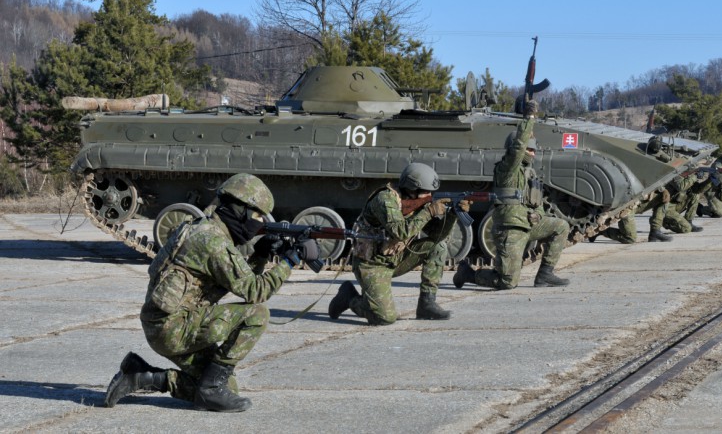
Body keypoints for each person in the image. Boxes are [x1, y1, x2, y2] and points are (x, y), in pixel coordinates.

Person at [104, 173, 318, 412]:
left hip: (166, 324)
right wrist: (290, 262)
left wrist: (261, 254)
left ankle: (142, 376)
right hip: (173, 329)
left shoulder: (199, 228)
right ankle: (211, 390)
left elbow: (235, 281)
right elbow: (256, 291)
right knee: (256, 314)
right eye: (257, 216)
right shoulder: (213, 242)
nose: (258, 223)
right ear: (240, 211)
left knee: (229, 388)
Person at [453, 99, 570, 290]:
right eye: (529, 149)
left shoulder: (529, 173)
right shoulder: (507, 169)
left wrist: (538, 215)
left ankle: (545, 274)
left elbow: (538, 202)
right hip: (511, 229)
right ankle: (469, 274)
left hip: (528, 224)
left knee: (561, 226)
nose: (532, 153)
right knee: (507, 282)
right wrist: (529, 118)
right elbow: (518, 148)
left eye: (533, 150)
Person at [328, 162, 466, 325]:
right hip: (371, 264)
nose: (429, 195)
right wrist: (429, 212)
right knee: (384, 318)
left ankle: (426, 304)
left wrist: (453, 215)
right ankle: (349, 298)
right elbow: (401, 232)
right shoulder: (385, 199)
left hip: (396, 258)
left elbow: (437, 235)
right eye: (426, 192)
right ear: (412, 188)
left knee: (438, 246)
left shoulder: (419, 203)